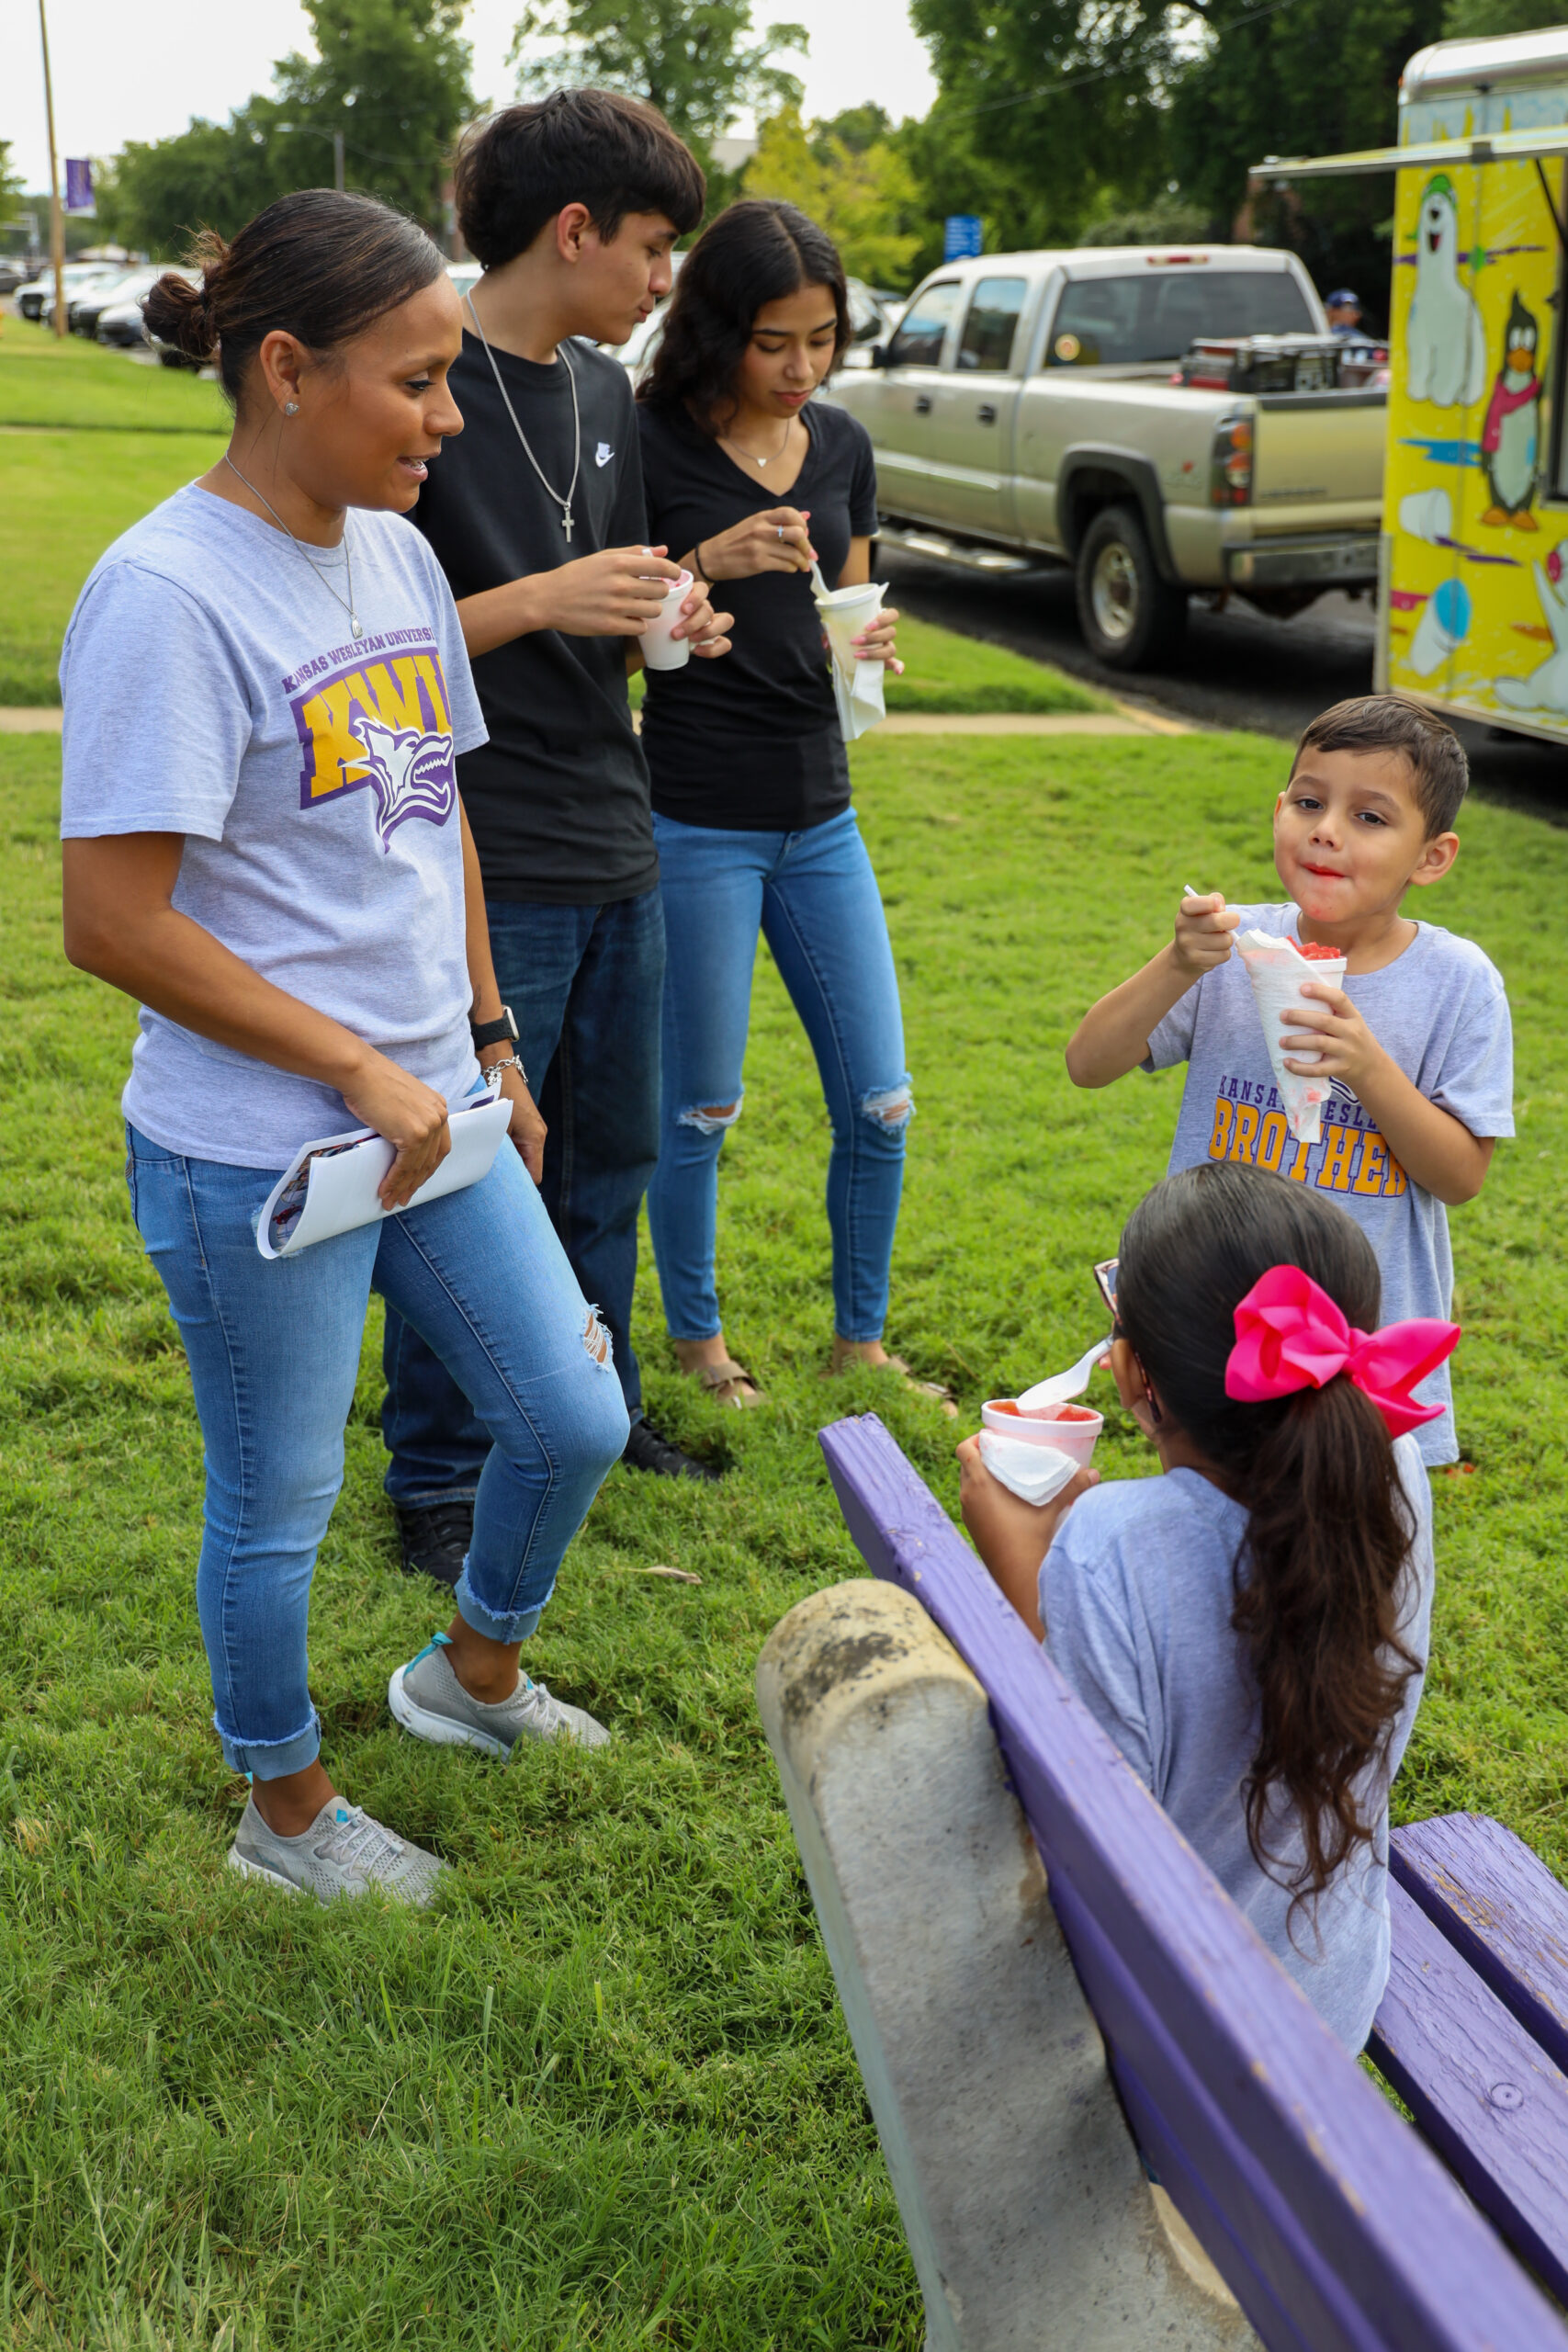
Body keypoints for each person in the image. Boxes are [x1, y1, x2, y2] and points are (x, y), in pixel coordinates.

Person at [59, 191, 631, 1908]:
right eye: (419, 381)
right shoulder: (166, 593)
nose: (448, 420)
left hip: (434, 1103)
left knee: (571, 1413)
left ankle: (466, 1677)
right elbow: (114, 922)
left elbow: (434, 804)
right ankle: (284, 1812)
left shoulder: (392, 547)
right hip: (265, 1150)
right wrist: (356, 1068)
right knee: (279, 1499)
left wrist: (484, 1033)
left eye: (452, 377)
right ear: (288, 371)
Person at [379, 91, 736, 1583]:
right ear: (574, 229)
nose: (665, 281)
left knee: (612, 1160)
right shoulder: (415, 377)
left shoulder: (606, 393)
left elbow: (625, 594)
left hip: (615, 826)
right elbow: (355, 639)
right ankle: (439, 1474)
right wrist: (537, 599)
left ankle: (595, 1403)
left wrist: (679, 616)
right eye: (652, 246)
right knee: (476, 1170)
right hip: (483, 854)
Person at [957, 1160, 1450, 2052]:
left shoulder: (1108, 1551)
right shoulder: (1393, 1469)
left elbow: (1081, 1853)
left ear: (1135, 1376)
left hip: (1177, 2055)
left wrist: (1023, 1579)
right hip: (1331, 1993)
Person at [636, 199, 944, 1411]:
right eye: (773, 342)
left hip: (822, 814)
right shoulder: (646, 441)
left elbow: (843, 614)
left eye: (818, 339)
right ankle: (695, 1345)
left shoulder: (842, 446)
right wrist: (705, 562)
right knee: (701, 1107)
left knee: (880, 1097)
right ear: (716, 330)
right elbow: (608, 628)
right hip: (694, 818)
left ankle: (857, 1342)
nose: (799, 367)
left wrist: (864, 645)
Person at [1065, 695, 1512, 1465]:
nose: (1326, 830)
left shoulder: (1456, 983)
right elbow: (1087, 1063)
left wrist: (1368, 1067)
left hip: (1355, 1339)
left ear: (1430, 856)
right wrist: (1176, 964)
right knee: (1209, 1509)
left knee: (1343, 1545)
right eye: (1308, 802)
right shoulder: (1233, 946)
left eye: (1370, 818)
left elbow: (1461, 1174)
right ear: (1279, 809)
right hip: (1219, 1307)